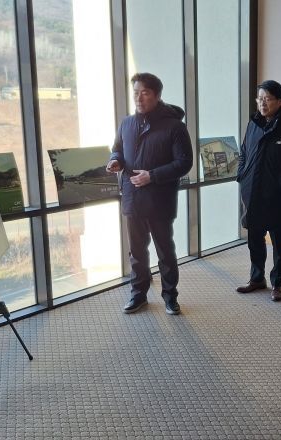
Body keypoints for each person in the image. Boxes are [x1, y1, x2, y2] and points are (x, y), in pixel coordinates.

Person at [107, 73, 193, 315]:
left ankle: (170, 296)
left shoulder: (175, 126)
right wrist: (115, 161)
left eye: (144, 93)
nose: (139, 97)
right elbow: (117, 149)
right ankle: (138, 294)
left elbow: (184, 163)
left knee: (165, 251)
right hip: (132, 198)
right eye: (136, 92)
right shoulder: (126, 124)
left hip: (160, 200)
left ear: (157, 95)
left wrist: (152, 175)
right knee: (136, 251)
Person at [235, 80, 281, 301]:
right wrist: (242, 175)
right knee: (254, 240)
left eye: (267, 99)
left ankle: (278, 283)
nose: (262, 103)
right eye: (259, 99)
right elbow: (244, 152)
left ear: (280, 101)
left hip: (278, 195)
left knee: (279, 242)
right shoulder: (253, 125)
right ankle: (257, 278)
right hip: (252, 192)